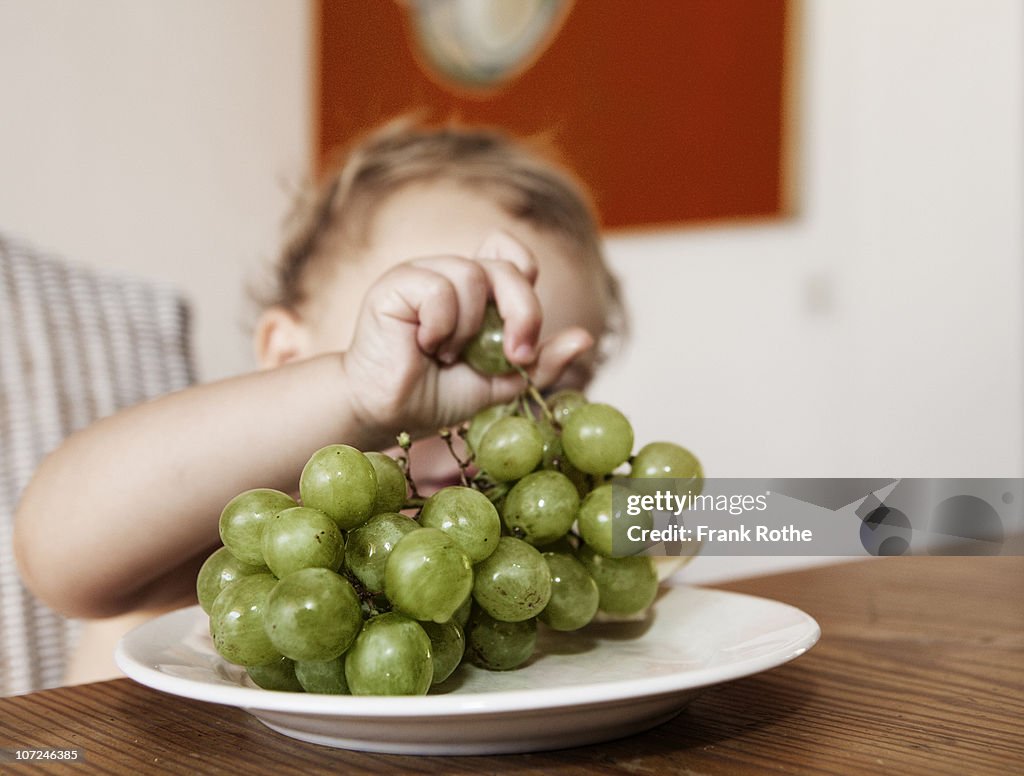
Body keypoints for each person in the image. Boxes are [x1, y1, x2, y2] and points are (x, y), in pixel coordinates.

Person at [13, 119, 624, 684]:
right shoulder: (253, 541)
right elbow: (54, 552)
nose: (471, 419)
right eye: (438, 351)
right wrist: (358, 395)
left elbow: (712, 521)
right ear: (286, 357)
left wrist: (675, 513)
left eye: (539, 389)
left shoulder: (524, 570)